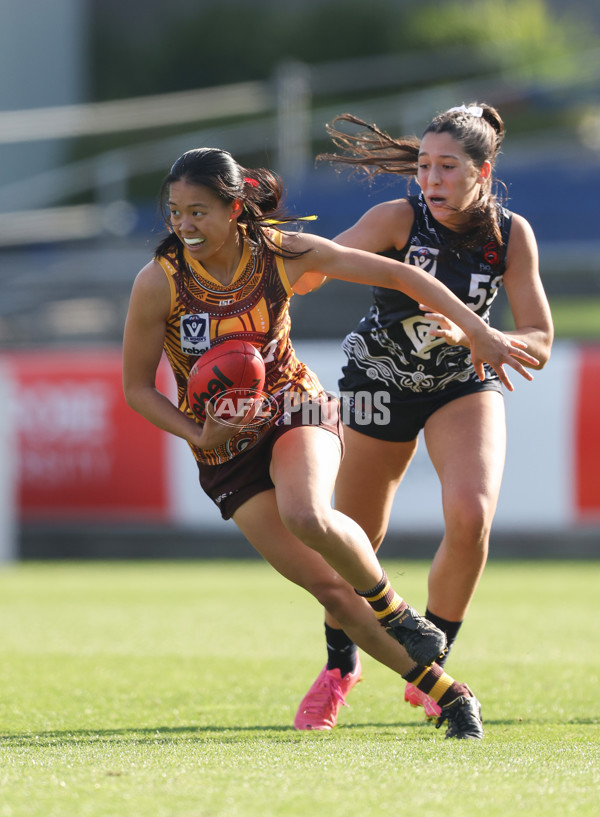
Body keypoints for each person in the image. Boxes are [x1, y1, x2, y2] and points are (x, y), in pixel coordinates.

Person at [122, 146, 539, 739]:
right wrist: (198, 432)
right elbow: (137, 388)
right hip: (222, 452)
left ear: (236, 208)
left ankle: (398, 613)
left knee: (309, 513)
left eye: (198, 212)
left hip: (296, 407)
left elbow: (400, 274)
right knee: (335, 593)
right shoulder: (158, 283)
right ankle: (451, 696)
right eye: (175, 213)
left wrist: (478, 329)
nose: (184, 226)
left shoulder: (279, 254)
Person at [293, 104, 553, 731]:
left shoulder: (511, 236)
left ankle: (434, 664)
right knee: (356, 540)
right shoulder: (395, 219)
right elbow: (313, 271)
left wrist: (475, 335)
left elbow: (540, 342)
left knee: (470, 516)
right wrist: (293, 263)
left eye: (447, 167)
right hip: (378, 385)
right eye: (424, 167)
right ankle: (339, 667)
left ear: (483, 171)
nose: (430, 180)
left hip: (462, 386)